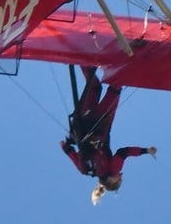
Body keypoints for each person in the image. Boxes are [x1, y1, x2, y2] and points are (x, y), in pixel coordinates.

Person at [60, 66, 157, 205]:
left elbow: (123, 153)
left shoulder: (112, 170)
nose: (121, 175)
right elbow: (68, 150)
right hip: (80, 122)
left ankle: (123, 61)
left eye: (119, 179)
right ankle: (81, 60)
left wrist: (146, 151)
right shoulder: (85, 170)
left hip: (99, 124)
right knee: (94, 87)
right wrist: (68, 141)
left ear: (112, 180)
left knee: (115, 88)